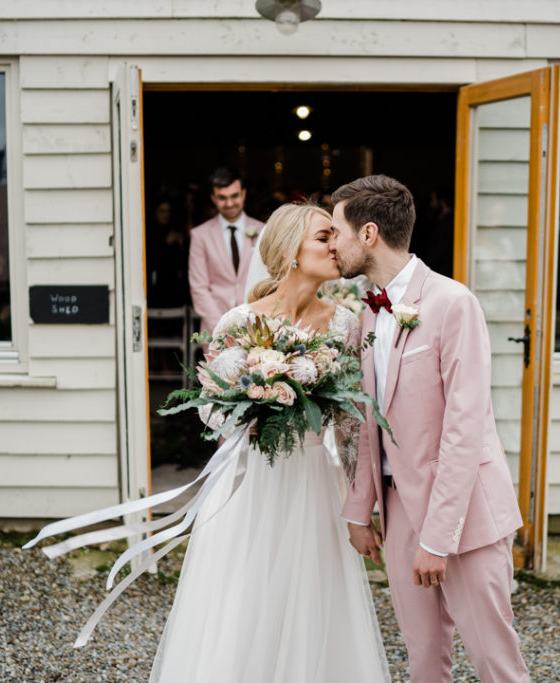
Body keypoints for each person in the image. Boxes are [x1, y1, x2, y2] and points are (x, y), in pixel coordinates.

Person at [149, 202, 391, 682]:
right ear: (290, 250)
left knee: (311, 609)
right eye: (324, 237)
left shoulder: (345, 324)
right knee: (243, 607)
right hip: (250, 485)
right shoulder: (238, 322)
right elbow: (209, 408)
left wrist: (360, 509)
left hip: (312, 487)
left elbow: (349, 426)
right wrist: (254, 411)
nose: (335, 245)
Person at [329, 174, 531, 683]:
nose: (333, 244)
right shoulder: (366, 314)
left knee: (495, 662)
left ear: (368, 233)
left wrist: (438, 540)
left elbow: (466, 429)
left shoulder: (452, 302)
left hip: (465, 516)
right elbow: (362, 422)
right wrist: (359, 510)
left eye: (337, 231)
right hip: (398, 513)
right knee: (423, 662)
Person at [188, 168, 265, 338]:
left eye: (234, 196)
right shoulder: (200, 235)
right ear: (213, 199)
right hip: (215, 329)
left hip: (257, 328)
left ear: (244, 194)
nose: (229, 203)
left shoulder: (263, 231)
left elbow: (269, 280)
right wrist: (222, 328)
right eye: (222, 198)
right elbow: (199, 288)